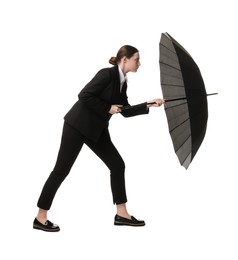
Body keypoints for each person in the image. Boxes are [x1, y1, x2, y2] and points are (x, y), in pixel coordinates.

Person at [33, 45, 165, 232]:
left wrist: (149, 104)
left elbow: (124, 111)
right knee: (61, 170)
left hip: (97, 130)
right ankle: (40, 217)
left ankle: (122, 214)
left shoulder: (123, 82)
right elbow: (84, 95)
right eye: (137, 59)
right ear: (125, 59)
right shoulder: (106, 74)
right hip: (77, 126)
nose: (140, 63)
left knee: (117, 165)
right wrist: (107, 108)